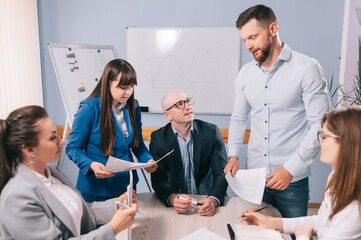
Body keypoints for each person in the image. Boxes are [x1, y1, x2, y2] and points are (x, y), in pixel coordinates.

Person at [224, 4, 330, 221]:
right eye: (244, 40)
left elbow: (319, 125)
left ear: (273, 29)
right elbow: (238, 119)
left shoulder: (307, 68)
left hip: (291, 180)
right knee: (252, 234)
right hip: (254, 180)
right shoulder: (245, 75)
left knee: (291, 234)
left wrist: (290, 168)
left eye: (252, 37)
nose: (247, 46)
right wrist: (233, 155)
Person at [0, 105, 138, 239]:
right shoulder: (17, 196)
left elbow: (82, 212)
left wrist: (118, 205)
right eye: (53, 138)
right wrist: (113, 228)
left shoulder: (53, 172)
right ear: (29, 150)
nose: (62, 141)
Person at [240, 106, 361, 240]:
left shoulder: (354, 210)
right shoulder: (338, 179)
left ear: (347, 142)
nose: (319, 141)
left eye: (325, 136)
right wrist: (271, 221)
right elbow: (321, 222)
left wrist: (303, 236)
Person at [66, 59, 157, 203]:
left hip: (127, 184)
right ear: (108, 84)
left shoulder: (133, 106)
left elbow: (137, 144)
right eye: (123, 87)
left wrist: (147, 160)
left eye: (132, 87)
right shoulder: (89, 108)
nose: (128, 92)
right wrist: (91, 165)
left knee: (129, 225)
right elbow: (72, 148)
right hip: (98, 187)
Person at [150, 91, 228, 216]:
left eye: (188, 101)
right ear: (168, 115)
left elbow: (221, 173)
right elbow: (158, 180)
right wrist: (172, 199)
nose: (188, 107)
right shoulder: (158, 139)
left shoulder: (211, 132)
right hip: (177, 205)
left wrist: (213, 200)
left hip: (207, 198)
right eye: (180, 104)